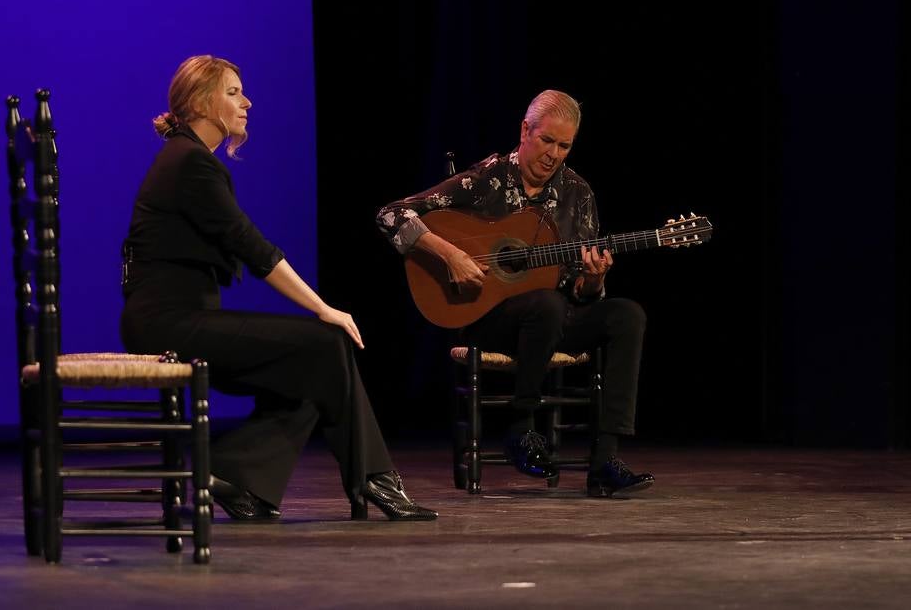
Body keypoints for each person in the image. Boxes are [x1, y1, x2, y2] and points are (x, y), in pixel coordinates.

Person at [120, 55, 436, 522]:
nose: (246, 101)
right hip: (167, 324)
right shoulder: (190, 163)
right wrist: (324, 307)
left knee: (317, 371)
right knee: (327, 342)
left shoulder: (189, 158)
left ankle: (236, 475)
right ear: (201, 103)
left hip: (177, 318)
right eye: (233, 92)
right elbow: (254, 248)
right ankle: (376, 480)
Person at [377, 90, 653, 497]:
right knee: (547, 304)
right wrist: (451, 254)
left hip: (553, 319)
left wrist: (593, 280)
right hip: (490, 321)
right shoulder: (485, 179)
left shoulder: (578, 194)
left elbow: (581, 293)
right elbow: (391, 213)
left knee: (627, 314)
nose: (554, 154)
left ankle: (604, 462)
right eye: (546, 141)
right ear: (525, 130)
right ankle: (521, 429)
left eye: (565, 146)